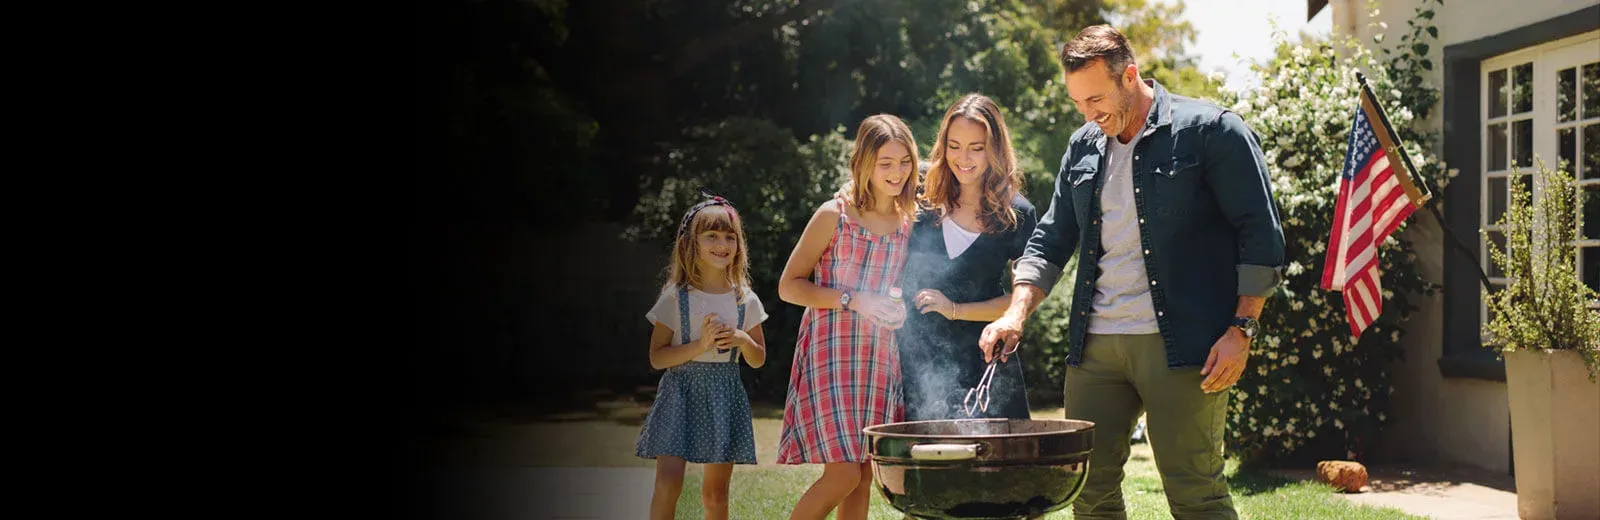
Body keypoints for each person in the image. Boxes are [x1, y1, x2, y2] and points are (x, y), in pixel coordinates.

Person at [978, 25, 1285, 520]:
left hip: (1185, 345)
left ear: (1130, 76)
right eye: (1078, 102)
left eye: (1096, 99)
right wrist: (1016, 312)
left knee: (1195, 492)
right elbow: (1052, 238)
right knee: (1088, 490)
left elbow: (1260, 233)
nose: (1087, 113)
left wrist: (1242, 329)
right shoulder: (1083, 146)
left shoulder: (1211, 131)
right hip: (1095, 346)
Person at [776, 114, 919, 520]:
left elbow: (895, 289)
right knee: (842, 474)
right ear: (864, 163)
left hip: (878, 359)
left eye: (904, 161)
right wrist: (852, 299)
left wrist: (897, 308)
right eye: (885, 163)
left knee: (863, 475)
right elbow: (789, 286)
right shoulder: (833, 215)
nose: (897, 172)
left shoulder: (907, 222)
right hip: (831, 353)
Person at [898, 93, 1037, 421]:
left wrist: (955, 309)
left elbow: (1023, 301)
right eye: (954, 146)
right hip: (917, 361)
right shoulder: (919, 195)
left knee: (997, 454)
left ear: (995, 149)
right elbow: (868, 192)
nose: (963, 158)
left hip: (986, 362)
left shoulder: (1018, 213)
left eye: (976, 148)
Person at [635, 190, 769, 520]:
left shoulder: (745, 300)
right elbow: (657, 357)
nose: (722, 244)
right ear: (690, 243)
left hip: (724, 394)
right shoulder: (675, 297)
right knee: (669, 483)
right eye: (712, 236)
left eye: (730, 237)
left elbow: (758, 358)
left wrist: (741, 339)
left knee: (715, 495)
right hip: (679, 393)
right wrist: (700, 344)